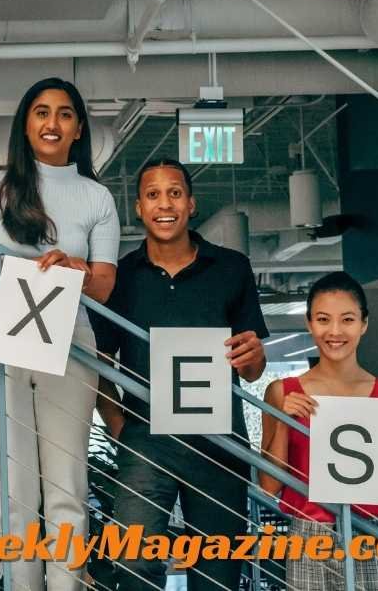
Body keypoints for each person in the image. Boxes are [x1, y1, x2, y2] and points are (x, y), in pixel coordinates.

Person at [0, 78, 119, 591]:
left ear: (79, 129)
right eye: (42, 112)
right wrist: (32, 270)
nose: (53, 123)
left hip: (70, 337)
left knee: (67, 484)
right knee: (14, 486)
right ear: (25, 125)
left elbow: (103, 287)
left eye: (65, 114)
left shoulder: (96, 196)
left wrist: (73, 267)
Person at [93, 158, 268, 591]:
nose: (164, 204)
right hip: (145, 440)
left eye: (174, 193)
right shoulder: (122, 277)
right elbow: (98, 359)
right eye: (153, 194)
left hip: (218, 440)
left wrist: (252, 357)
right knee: (133, 561)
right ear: (138, 207)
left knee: (218, 572)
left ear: (191, 204)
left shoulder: (231, 268)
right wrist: (117, 424)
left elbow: (253, 367)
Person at [259, 272, 378, 591]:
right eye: (323, 319)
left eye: (347, 319)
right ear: (309, 324)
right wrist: (285, 422)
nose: (335, 331)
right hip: (309, 532)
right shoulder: (282, 391)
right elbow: (269, 485)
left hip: (373, 531)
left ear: (364, 324)